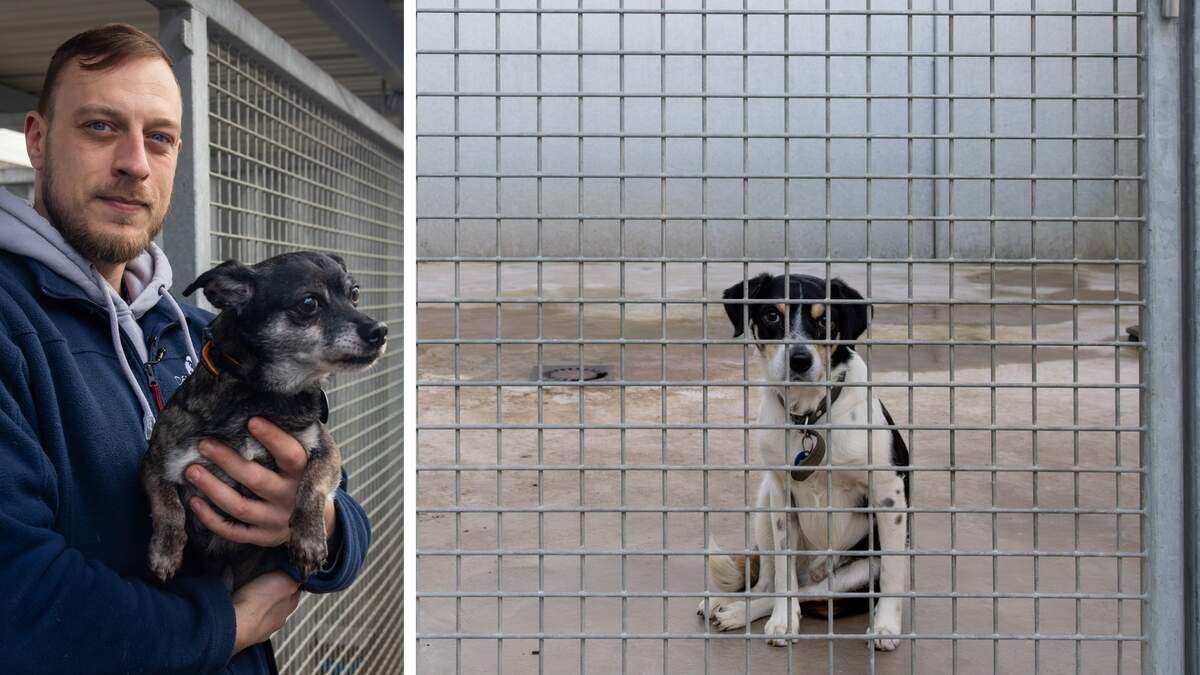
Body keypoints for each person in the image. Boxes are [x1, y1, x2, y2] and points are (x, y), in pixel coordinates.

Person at [0, 24, 371, 674]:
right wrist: (229, 624)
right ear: (36, 139)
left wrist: (319, 523)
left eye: (160, 137)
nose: (135, 162)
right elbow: (21, 602)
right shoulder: (12, 327)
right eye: (100, 126)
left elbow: (346, 511)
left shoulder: (207, 335)